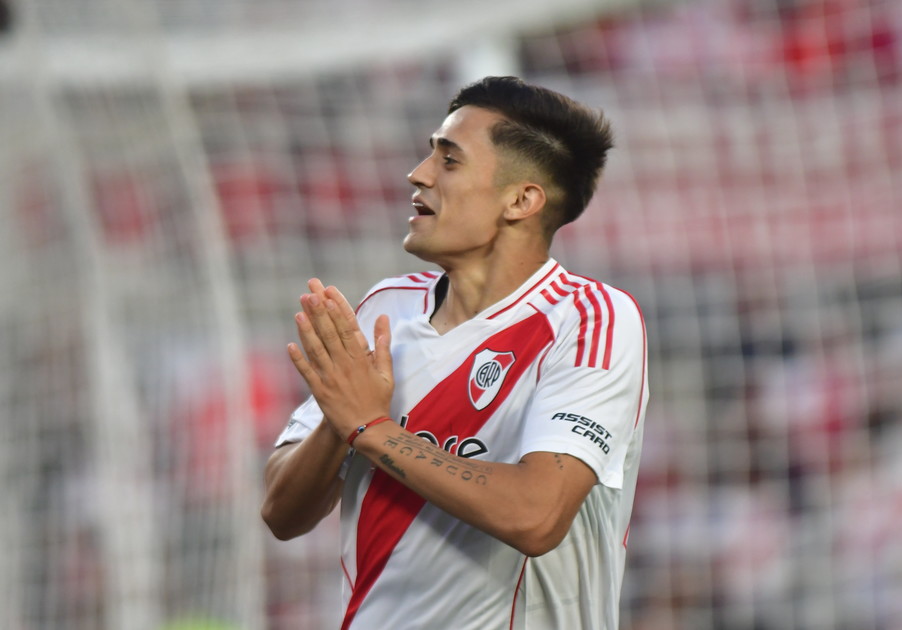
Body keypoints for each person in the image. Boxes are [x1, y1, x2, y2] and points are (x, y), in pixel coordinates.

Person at [260, 76, 648, 630]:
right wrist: (336, 424)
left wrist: (370, 427)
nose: (418, 174)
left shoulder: (590, 318)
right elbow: (282, 514)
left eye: (449, 160)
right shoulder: (387, 308)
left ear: (521, 200)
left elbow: (537, 517)